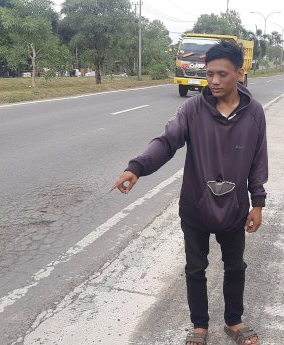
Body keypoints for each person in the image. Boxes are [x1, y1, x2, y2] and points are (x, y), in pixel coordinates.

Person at [111, 40, 266, 345]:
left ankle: (233, 321)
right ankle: (200, 326)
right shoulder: (193, 109)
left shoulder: (254, 113)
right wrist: (137, 167)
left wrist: (257, 203)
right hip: (196, 205)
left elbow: (258, 159)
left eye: (222, 74)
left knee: (235, 266)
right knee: (196, 267)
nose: (215, 81)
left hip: (235, 207)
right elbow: (167, 141)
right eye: (209, 74)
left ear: (240, 73)